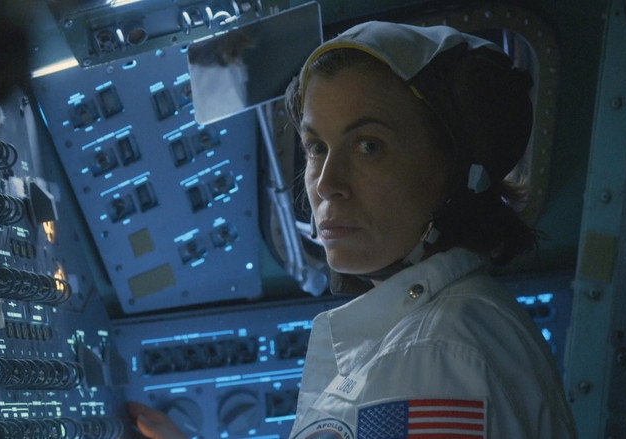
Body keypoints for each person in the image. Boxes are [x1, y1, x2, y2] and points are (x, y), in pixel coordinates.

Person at [129, 20, 577, 438]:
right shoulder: (441, 329)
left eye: (369, 146)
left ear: (458, 170)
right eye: (316, 147)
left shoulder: (432, 355)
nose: (327, 184)